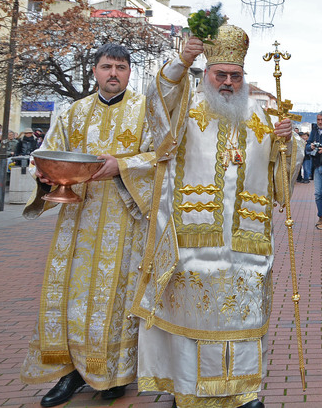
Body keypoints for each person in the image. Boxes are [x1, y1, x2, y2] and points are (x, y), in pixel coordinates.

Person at [132, 25, 293, 408]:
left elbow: (281, 175)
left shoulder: (259, 115)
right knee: (193, 323)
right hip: (193, 243)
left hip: (246, 244)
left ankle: (243, 393)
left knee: (243, 322)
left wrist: (287, 142)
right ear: (206, 74)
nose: (228, 82)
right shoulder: (184, 109)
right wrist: (181, 60)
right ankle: (186, 391)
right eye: (221, 74)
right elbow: (158, 99)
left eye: (235, 76)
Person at [20, 43, 156, 406]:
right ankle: (70, 373)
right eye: (107, 66)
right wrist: (43, 174)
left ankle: (113, 375)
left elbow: (162, 157)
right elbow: (47, 153)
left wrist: (122, 166)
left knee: (117, 298)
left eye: (121, 68)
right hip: (77, 220)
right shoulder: (73, 112)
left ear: (129, 73)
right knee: (71, 295)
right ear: (94, 71)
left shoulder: (147, 111)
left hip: (126, 221)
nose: (113, 73)